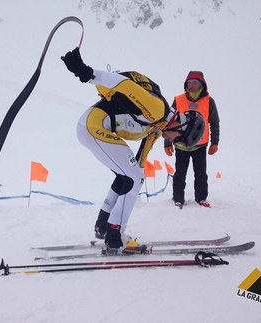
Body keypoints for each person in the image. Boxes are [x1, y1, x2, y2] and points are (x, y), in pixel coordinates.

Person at [61, 47, 205, 254]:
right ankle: (115, 235)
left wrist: (137, 177)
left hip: (91, 128)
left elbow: (140, 161)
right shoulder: (157, 110)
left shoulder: (157, 128)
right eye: (179, 139)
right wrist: (87, 72)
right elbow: (126, 86)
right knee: (132, 177)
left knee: (128, 176)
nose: (175, 142)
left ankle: (104, 225)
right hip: (93, 126)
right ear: (181, 126)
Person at [164, 71, 220, 209]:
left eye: (195, 82)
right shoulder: (178, 100)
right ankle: (178, 199)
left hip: (200, 146)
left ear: (201, 84)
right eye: (189, 83)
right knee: (180, 173)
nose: (192, 85)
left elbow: (214, 122)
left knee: (201, 174)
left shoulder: (209, 101)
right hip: (181, 145)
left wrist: (215, 143)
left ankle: (201, 198)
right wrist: (167, 143)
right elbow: (168, 122)